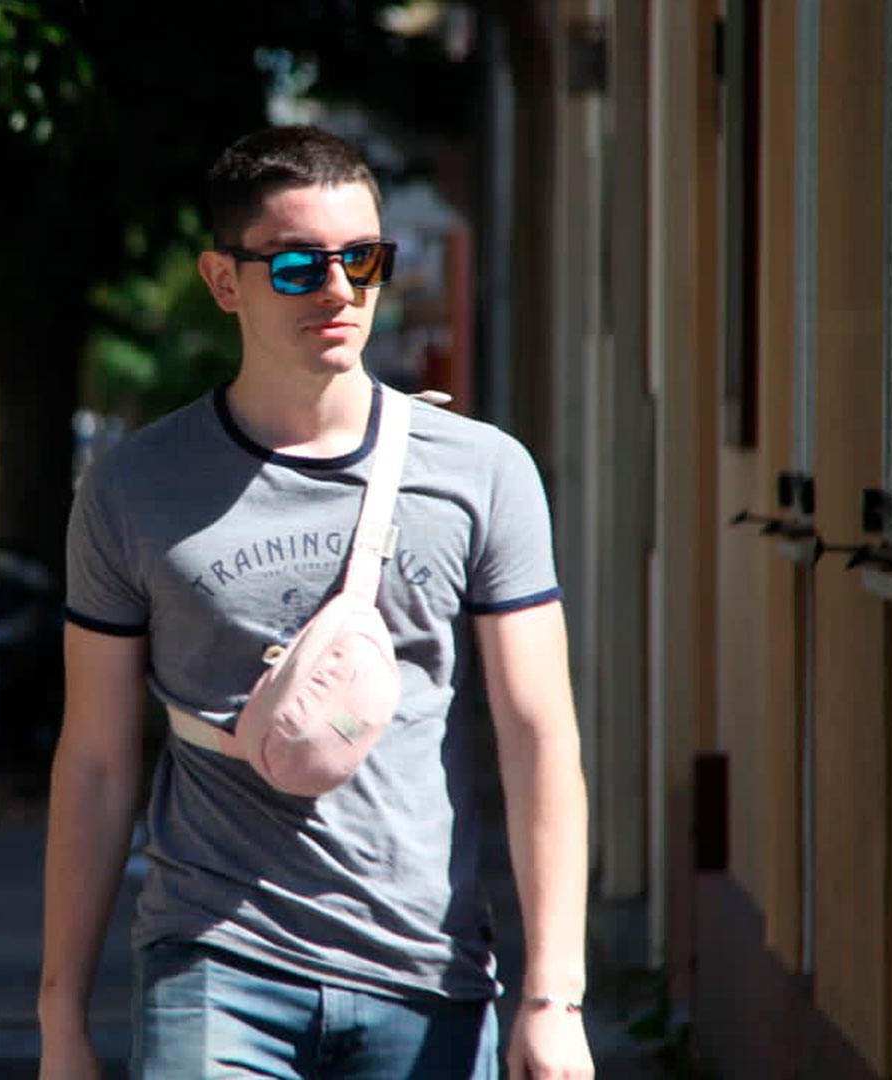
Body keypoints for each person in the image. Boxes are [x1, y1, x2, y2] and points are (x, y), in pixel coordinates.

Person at [38, 126, 596, 1079]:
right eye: (298, 266)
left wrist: (554, 997)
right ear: (225, 282)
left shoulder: (483, 472)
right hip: (213, 965)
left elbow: (540, 734)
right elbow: (93, 760)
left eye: (364, 260)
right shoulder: (134, 489)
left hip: (426, 970)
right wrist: (61, 1020)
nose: (340, 291)